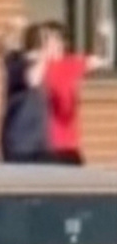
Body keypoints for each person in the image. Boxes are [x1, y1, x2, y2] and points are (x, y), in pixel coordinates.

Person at [40, 20, 112, 165]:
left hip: (69, 145)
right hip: (44, 145)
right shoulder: (38, 69)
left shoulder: (71, 64)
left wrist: (105, 37)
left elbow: (104, 59)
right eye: (46, 40)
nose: (52, 45)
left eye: (56, 40)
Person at [0, 19, 50, 163]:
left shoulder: (30, 61)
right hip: (21, 141)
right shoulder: (14, 62)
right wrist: (44, 56)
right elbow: (33, 79)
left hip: (38, 140)